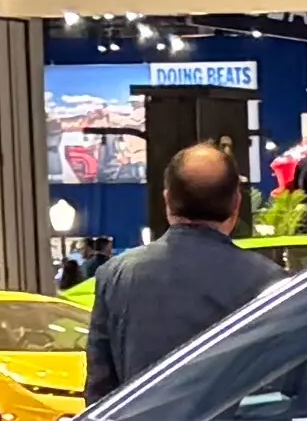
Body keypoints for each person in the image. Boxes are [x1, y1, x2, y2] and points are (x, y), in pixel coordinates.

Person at [80, 140, 271, 388]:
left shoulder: (116, 275)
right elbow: (291, 392)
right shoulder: (269, 281)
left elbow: (100, 386)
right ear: (236, 203)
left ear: (167, 200)